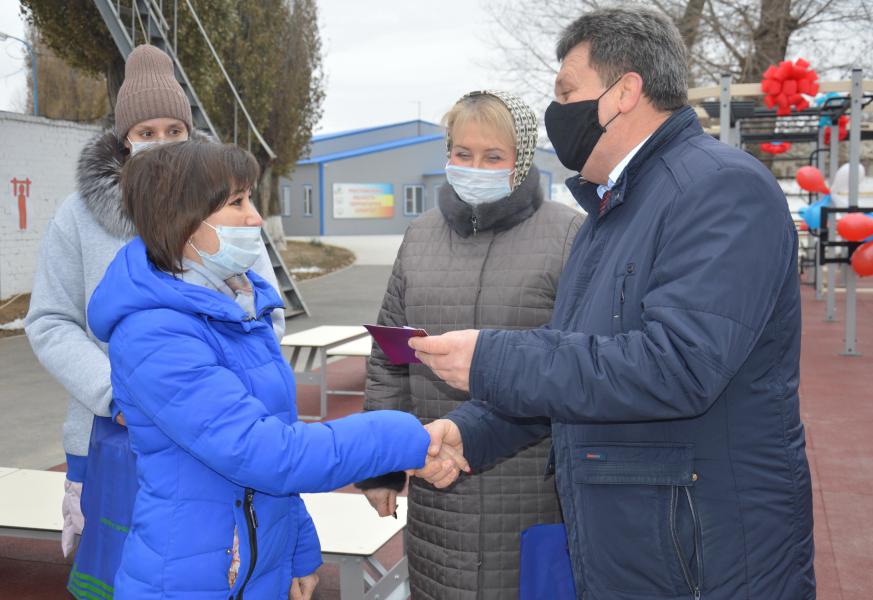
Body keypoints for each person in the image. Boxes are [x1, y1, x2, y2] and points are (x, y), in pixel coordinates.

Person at [409, 8, 815, 600]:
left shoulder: (720, 188)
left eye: (566, 92)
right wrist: (470, 431)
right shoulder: (614, 208)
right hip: (640, 544)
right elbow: (581, 366)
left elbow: (678, 367)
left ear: (625, 92)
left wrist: (491, 359)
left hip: (705, 556)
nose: (556, 112)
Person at [84, 139, 455, 599]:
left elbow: (274, 447)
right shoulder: (155, 334)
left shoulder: (239, 308)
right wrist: (403, 437)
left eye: (251, 199)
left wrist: (298, 553)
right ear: (182, 219)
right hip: (191, 582)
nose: (256, 218)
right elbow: (267, 454)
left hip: (255, 569)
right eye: (237, 202)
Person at [24, 44, 284, 560]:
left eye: (174, 130)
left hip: (218, 430)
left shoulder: (228, 210)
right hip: (109, 436)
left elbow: (266, 313)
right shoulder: (77, 217)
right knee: (125, 575)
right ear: (125, 140)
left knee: (215, 571)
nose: (161, 144)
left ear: (191, 133)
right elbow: (51, 320)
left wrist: (214, 392)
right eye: (146, 133)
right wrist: (118, 393)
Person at [356, 90, 582, 599]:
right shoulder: (419, 237)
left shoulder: (568, 235)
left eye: (493, 156)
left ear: (520, 161)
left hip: (533, 489)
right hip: (435, 478)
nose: (474, 168)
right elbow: (390, 359)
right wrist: (381, 465)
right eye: (463, 153)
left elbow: (580, 362)